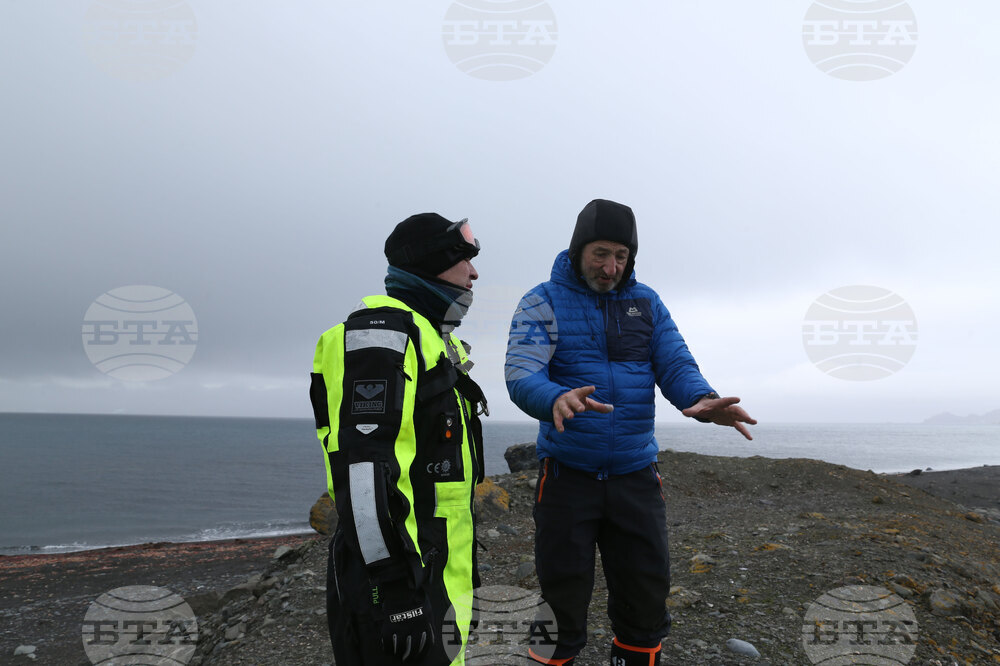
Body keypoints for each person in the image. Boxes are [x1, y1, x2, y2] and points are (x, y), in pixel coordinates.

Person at [505, 199, 756, 666]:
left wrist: (699, 400)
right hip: (566, 475)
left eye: (620, 255)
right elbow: (522, 373)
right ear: (579, 249)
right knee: (559, 598)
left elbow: (675, 362)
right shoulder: (542, 300)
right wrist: (553, 398)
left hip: (635, 475)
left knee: (645, 592)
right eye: (600, 253)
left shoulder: (647, 302)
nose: (610, 266)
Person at [310, 213, 488, 665]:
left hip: (433, 573)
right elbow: (365, 474)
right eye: (464, 259)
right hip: (397, 585)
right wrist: (396, 593)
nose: (474, 273)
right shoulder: (380, 341)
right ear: (430, 264)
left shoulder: (430, 341)